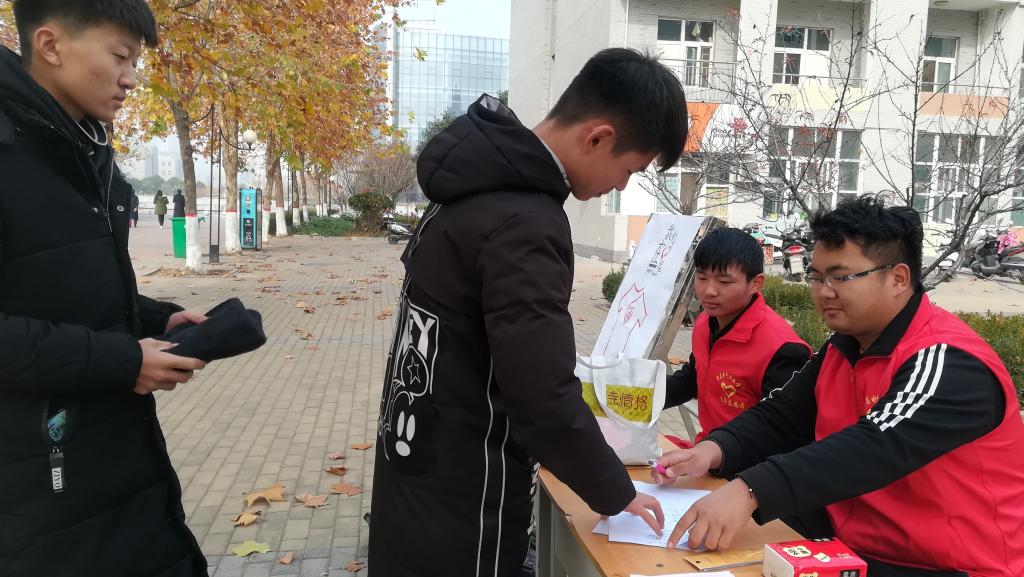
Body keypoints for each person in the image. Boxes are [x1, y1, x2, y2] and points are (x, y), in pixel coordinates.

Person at [369, 48, 688, 577]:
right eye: (629, 169)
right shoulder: (525, 223)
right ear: (598, 137)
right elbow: (541, 396)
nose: (620, 186)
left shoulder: (470, 188)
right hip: (466, 497)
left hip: (412, 458)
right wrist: (614, 490)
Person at [653, 197, 1024, 577]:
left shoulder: (947, 362)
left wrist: (751, 490)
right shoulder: (843, 345)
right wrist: (712, 449)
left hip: (944, 564)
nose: (823, 291)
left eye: (840, 277)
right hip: (851, 541)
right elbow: (783, 415)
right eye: (816, 277)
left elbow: (873, 446)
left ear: (898, 278)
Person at [0, 1, 211, 575]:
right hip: (35, 483)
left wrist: (154, 320)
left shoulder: (84, 151)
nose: (131, 78)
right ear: (50, 45)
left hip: (110, 454)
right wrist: (123, 362)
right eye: (120, 56)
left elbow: (62, 285)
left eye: (135, 61)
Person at [663, 227, 811, 447]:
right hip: (706, 451)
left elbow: (779, 431)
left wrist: (715, 453)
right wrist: (638, 398)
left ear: (756, 283)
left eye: (724, 282)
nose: (709, 291)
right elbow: (693, 378)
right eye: (702, 277)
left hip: (746, 461)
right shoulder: (705, 322)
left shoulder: (783, 349)